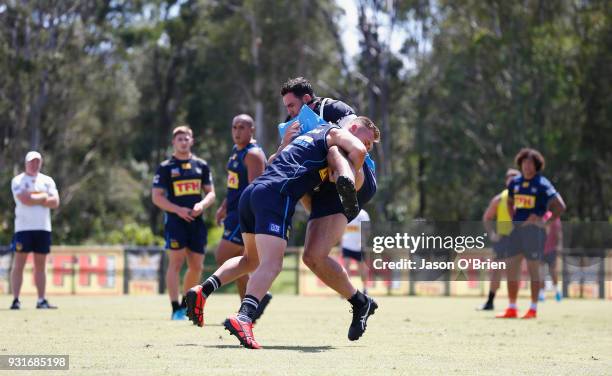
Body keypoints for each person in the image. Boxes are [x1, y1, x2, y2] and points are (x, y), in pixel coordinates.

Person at [187, 117, 379, 349]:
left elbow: (275, 160)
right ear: (354, 128)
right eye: (368, 141)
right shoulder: (336, 133)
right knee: (272, 264)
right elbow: (357, 150)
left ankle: (203, 290)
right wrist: (348, 173)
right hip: (277, 196)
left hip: (253, 192)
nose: (367, 149)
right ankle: (244, 317)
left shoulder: (308, 136)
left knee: (251, 259)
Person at [279, 77, 379, 341]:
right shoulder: (291, 127)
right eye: (286, 107)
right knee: (312, 257)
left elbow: (356, 141)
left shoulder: (332, 108)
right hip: (326, 191)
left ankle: (345, 180)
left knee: (336, 147)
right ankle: (360, 302)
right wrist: (284, 145)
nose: (288, 111)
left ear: (307, 101)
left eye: (291, 106)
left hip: (358, 176)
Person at [152, 125, 215, 320]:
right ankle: (175, 308)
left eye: (186, 138)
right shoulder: (165, 168)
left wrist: (202, 205)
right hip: (175, 222)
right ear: (174, 142)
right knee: (176, 263)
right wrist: (178, 210)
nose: (183, 141)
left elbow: (211, 193)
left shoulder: (201, 165)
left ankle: (186, 304)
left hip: (196, 223)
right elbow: (157, 197)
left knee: (197, 266)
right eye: (179, 139)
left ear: (192, 141)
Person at [496, 148, 566, 319]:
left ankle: (533, 308)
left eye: (531, 163)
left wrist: (545, 222)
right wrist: (514, 218)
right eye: (524, 163)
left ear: (537, 166)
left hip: (534, 233)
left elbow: (560, 206)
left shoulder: (543, 184)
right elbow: (510, 203)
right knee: (511, 267)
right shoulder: (515, 183)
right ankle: (512, 307)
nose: (527, 166)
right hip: (516, 232)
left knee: (534, 270)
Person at [212, 114, 270, 318]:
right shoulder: (236, 152)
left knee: (224, 257)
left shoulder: (252, 154)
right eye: (234, 127)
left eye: (242, 127)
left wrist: (251, 217)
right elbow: (235, 186)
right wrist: (223, 207)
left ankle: (257, 297)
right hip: (233, 212)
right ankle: (247, 311)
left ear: (252, 130)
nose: (237, 131)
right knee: (239, 263)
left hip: (243, 215)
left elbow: (255, 189)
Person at [10, 151, 60, 310]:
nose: (35, 164)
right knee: (19, 264)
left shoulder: (47, 180)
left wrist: (33, 196)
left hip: (43, 228)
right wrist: (43, 197)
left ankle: (41, 300)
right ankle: (16, 299)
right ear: (26, 163)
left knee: (41, 265)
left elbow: (55, 202)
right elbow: (23, 200)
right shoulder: (18, 180)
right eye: (32, 162)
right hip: (23, 228)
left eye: (37, 161)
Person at [478, 168, 521, 310]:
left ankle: (513, 304)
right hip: (503, 239)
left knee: (514, 272)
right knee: (496, 270)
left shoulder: (525, 198)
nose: (512, 179)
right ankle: (490, 301)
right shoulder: (499, 199)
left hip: (521, 239)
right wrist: (492, 234)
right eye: (510, 177)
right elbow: (487, 218)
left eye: (515, 177)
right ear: (506, 181)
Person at [341, 209, 371, 294]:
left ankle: (365, 289)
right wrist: (341, 245)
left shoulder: (363, 214)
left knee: (362, 269)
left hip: (359, 246)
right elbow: (341, 229)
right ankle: (347, 290)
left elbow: (367, 230)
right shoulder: (345, 212)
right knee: (346, 268)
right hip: (347, 245)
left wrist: (363, 242)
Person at [539, 210, 563, 302]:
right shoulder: (538, 214)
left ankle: (557, 291)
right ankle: (541, 294)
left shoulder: (554, 216)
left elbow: (558, 232)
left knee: (553, 271)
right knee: (541, 272)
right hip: (540, 249)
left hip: (551, 249)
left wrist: (559, 245)